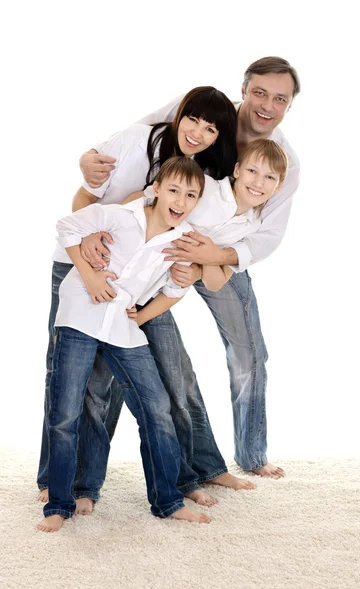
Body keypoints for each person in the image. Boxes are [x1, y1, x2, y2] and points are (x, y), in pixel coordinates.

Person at [80, 56, 301, 480]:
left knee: (248, 348)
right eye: (259, 92)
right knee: (122, 356)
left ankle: (249, 455)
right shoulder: (209, 111)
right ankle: (87, 475)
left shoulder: (285, 164)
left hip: (220, 253)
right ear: (244, 90)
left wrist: (206, 262)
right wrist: (91, 160)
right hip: (159, 247)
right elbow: (144, 134)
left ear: (290, 105)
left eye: (280, 98)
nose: (267, 105)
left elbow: (266, 236)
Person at [37, 86, 239, 512]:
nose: (198, 134)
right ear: (179, 114)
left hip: (140, 286)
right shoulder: (135, 141)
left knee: (169, 377)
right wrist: (90, 246)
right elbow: (81, 205)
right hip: (86, 268)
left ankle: (185, 477)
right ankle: (66, 484)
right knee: (75, 384)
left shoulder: (201, 184)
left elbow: (204, 258)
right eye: (194, 121)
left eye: (211, 129)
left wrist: (198, 267)